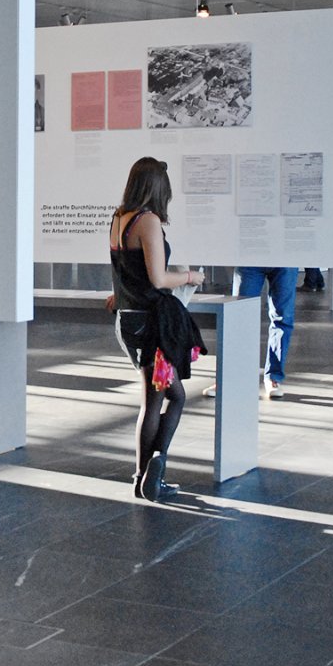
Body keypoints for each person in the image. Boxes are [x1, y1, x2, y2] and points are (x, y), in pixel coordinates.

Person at [107, 157, 206, 502]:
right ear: (157, 189)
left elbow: (126, 270)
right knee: (169, 397)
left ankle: (143, 478)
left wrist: (118, 295)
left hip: (130, 320)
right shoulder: (147, 221)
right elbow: (159, 278)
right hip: (152, 326)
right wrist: (191, 277)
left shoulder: (120, 218)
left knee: (155, 397)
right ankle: (154, 469)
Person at [234, 267, 296, 399]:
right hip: (251, 255)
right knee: (239, 315)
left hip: (285, 258)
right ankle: (230, 377)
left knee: (283, 318)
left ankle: (274, 376)